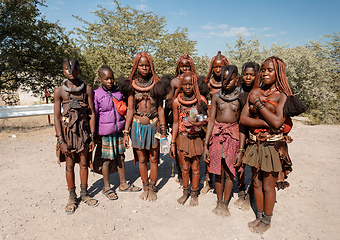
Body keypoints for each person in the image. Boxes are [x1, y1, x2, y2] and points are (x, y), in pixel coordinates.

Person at [240, 56, 306, 233]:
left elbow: (278, 123)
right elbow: (244, 119)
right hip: (254, 144)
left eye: (270, 70)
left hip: (272, 146)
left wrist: (259, 104)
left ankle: (267, 221)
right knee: (256, 182)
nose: (265, 73)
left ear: (279, 73)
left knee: (268, 185)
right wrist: (265, 123)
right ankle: (259, 217)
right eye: (263, 70)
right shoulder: (256, 92)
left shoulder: (282, 95)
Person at [119, 51, 170, 202]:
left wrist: (163, 131)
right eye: (141, 65)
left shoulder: (157, 85)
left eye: (147, 65)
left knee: (154, 159)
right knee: (142, 160)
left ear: (151, 66)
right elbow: (129, 109)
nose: (144, 68)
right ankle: (145, 186)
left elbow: (160, 109)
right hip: (137, 127)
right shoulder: (131, 86)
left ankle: (153, 188)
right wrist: (126, 132)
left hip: (153, 126)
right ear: (136, 66)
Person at [54, 58, 98, 214]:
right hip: (67, 135)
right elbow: (57, 117)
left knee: (84, 164)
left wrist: (92, 136)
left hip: (84, 134)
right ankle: (72, 197)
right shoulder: (59, 91)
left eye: (74, 69)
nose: (71, 72)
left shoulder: (87, 89)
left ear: (80, 70)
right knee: (69, 166)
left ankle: (85, 194)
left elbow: (91, 114)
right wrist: (61, 140)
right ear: (63, 71)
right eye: (67, 69)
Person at [93, 65, 141, 201]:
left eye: (111, 78)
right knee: (107, 160)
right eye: (106, 79)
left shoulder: (119, 92)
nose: (110, 81)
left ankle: (123, 184)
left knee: (120, 157)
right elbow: (95, 115)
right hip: (105, 133)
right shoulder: (97, 94)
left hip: (119, 130)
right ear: (100, 79)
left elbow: (128, 106)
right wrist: (95, 134)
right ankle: (106, 187)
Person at [203, 65, 245, 217]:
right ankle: (219, 201)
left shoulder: (241, 97)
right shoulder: (216, 96)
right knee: (217, 170)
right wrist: (205, 145)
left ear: (237, 79)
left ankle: (225, 203)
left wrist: (241, 149)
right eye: (223, 79)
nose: (226, 82)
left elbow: (243, 125)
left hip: (233, 137)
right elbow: (211, 122)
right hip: (217, 136)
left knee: (229, 171)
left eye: (230, 79)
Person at [170, 71, 208, 206]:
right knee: (185, 167)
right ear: (181, 85)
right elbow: (175, 122)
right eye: (185, 84)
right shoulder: (176, 102)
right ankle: (185, 192)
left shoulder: (201, 100)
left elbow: (206, 119)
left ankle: (194, 193)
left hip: (197, 137)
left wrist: (199, 122)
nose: (187, 87)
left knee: (196, 167)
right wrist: (173, 142)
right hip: (183, 137)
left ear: (195, 85)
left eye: (190, 84)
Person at [165, 54, 198, 185]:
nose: (184, 68)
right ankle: (180, 171)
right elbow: (169, 100)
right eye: (182, 66)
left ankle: (191, 173)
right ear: (178, 67)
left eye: (187, 66)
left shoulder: (194, 80)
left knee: (192, 148)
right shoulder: (174, 82)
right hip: (177, 114)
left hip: (193, 117)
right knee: (179, 148)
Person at [201, 51, 230, 195]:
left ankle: (229, 183)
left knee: (227, 154)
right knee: (210, 154)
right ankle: (208, 180)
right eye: (215, 67)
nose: (218, 70)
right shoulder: (207, 84)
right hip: (210, 122)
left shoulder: (232, 83)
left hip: (227, 123)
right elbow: (202, 101)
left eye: (221, 67)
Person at [234, 62, 260, 210]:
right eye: (246, 74)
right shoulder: (238, 89)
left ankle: (251, 194)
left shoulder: (260, 91)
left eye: (251, 74)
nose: (248, 77)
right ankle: (242, 190)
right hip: (240, 129)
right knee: (240, 163)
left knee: (255, 164)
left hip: (255, 131)